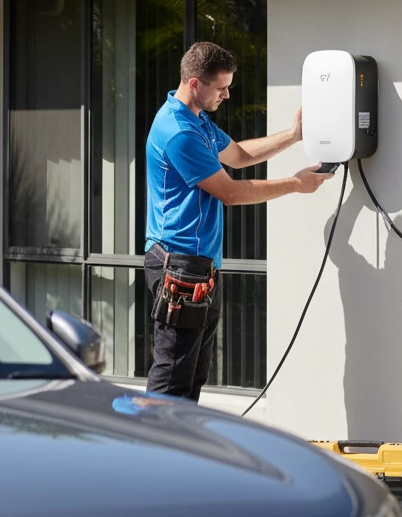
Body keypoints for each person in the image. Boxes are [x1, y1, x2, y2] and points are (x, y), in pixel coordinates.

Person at [144, 40, 336, 400]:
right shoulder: (179, 132)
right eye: (222, 87)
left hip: (199, 268)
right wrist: (295, 184)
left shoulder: (196, 121)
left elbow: (239, 155)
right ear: (196, 84)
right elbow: (229, 192)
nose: (228, 95)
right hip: (179, 267)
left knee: (190, 381)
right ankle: (154, 455)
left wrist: (294, 135)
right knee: (171, 382)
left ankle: (181, 455)